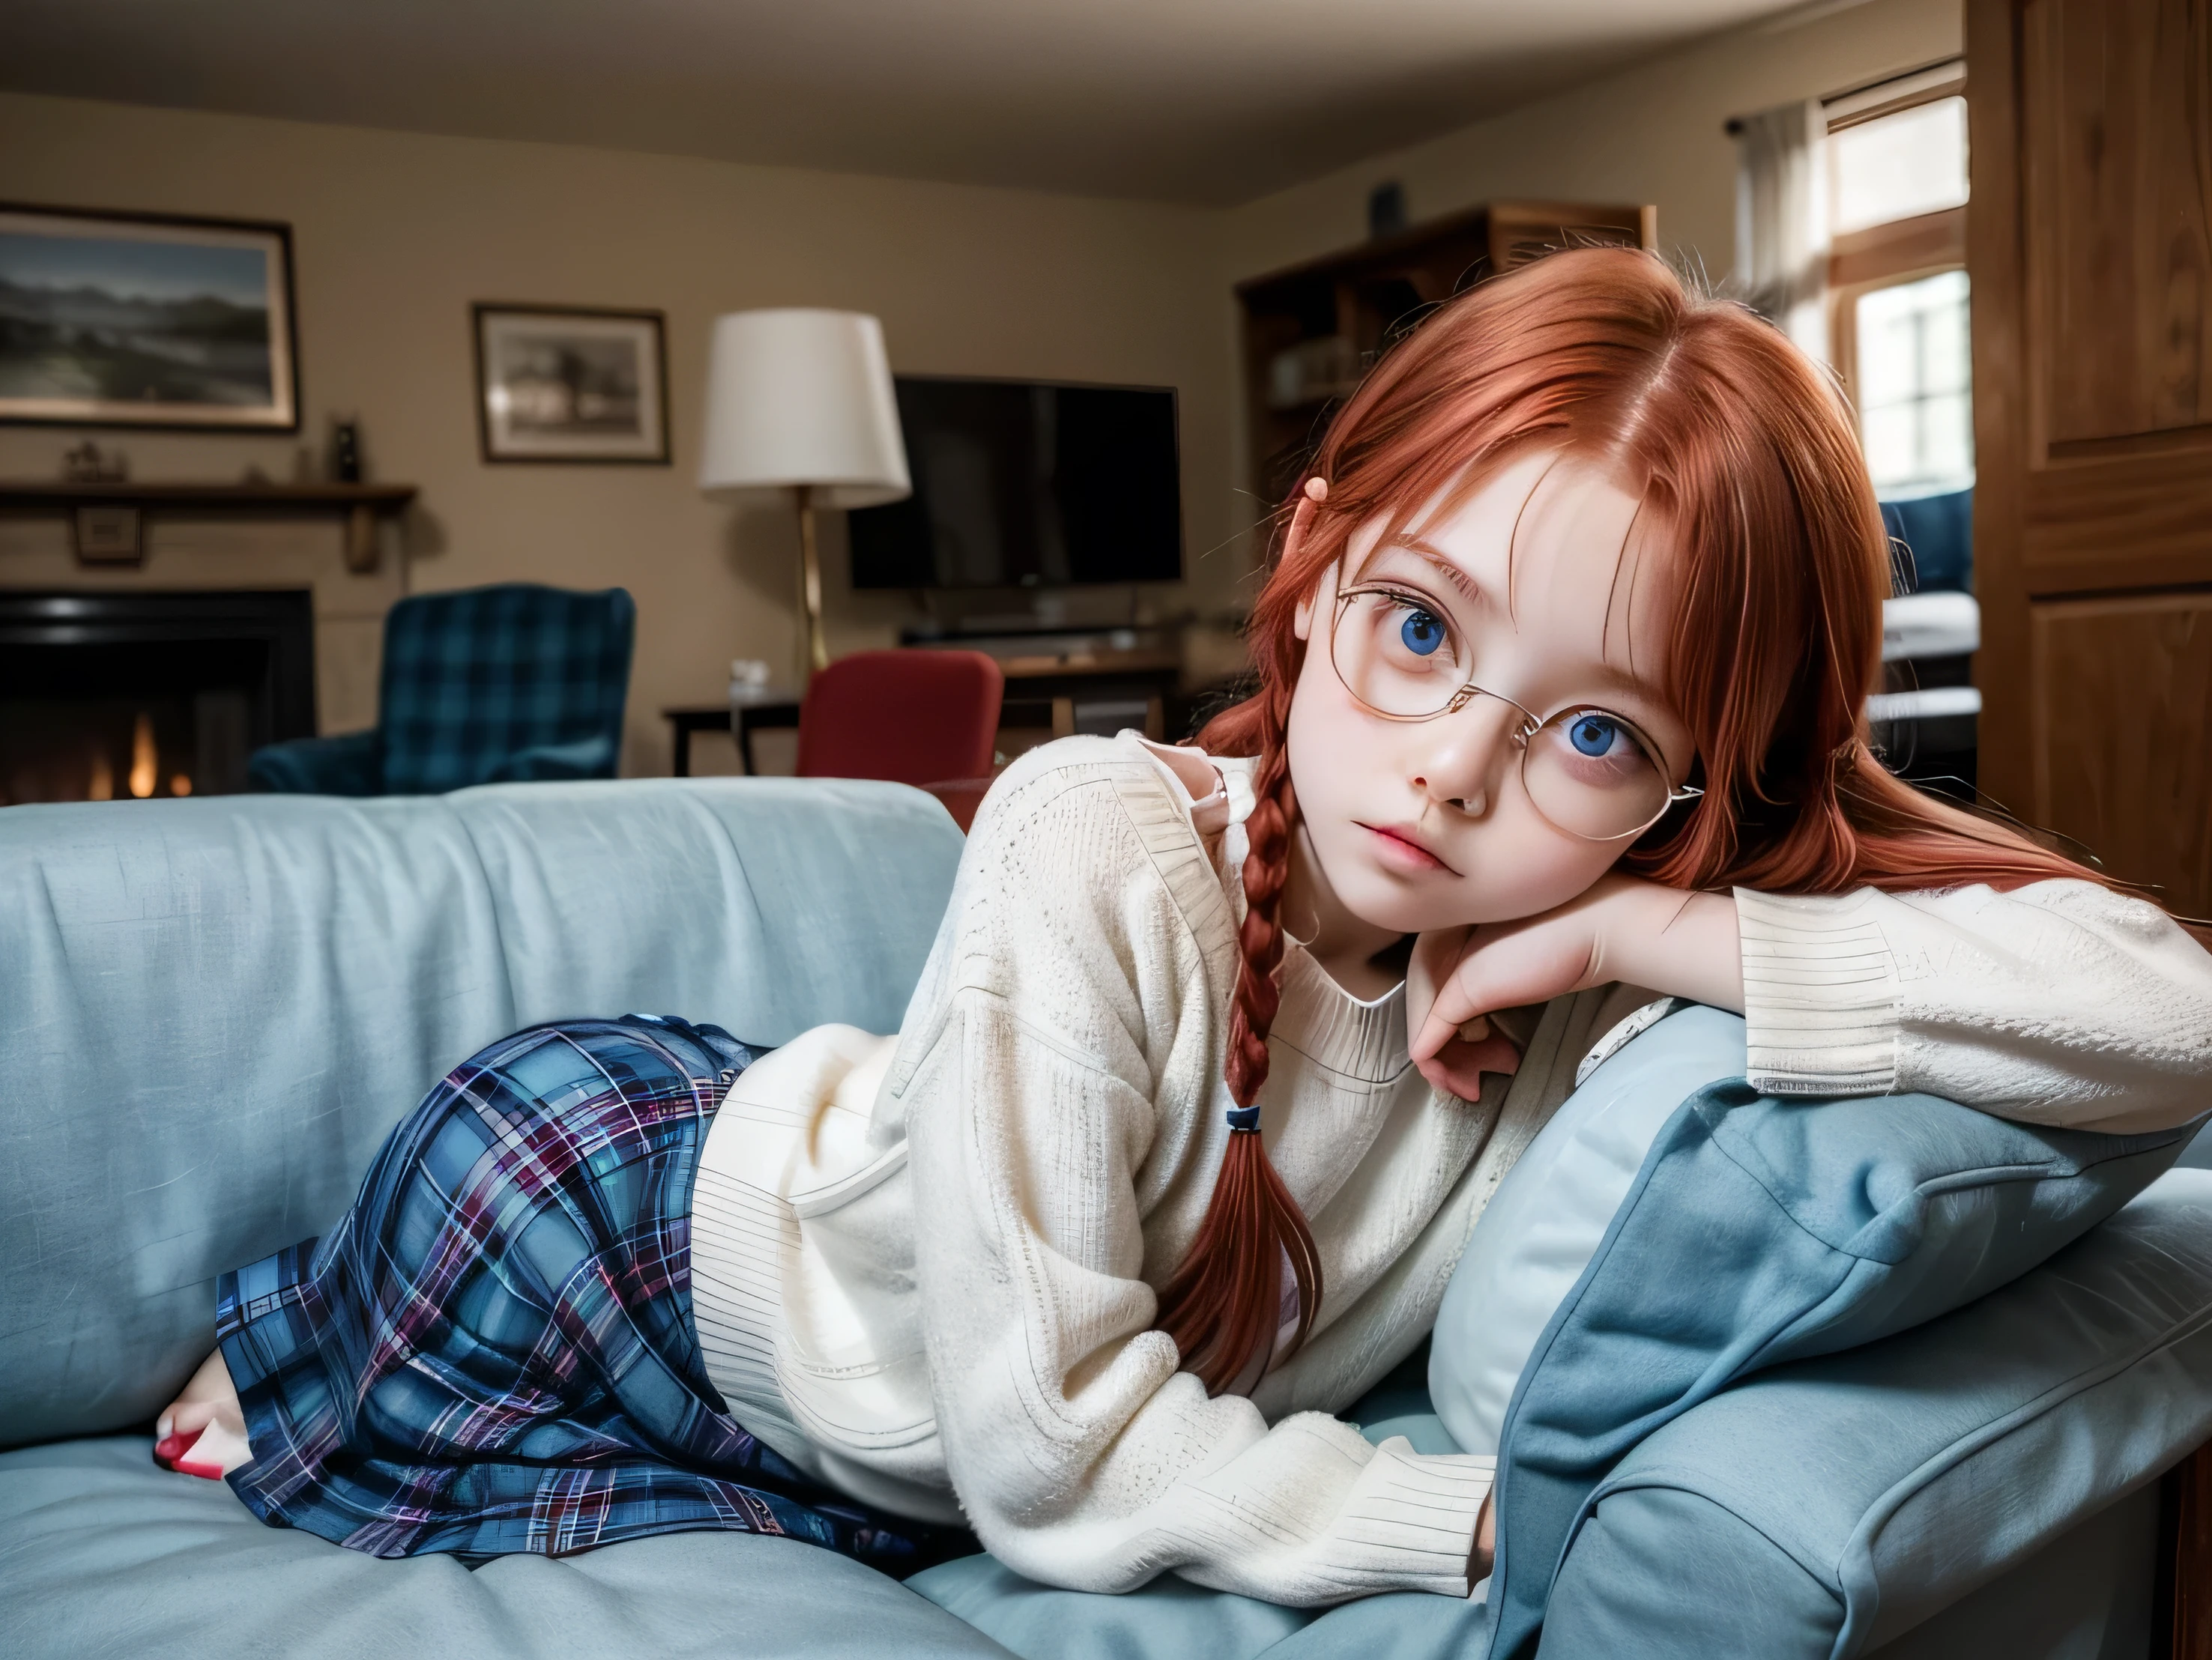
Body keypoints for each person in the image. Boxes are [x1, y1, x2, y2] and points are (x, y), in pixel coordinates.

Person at [156, 249, 2212, 1602]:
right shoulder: (1096, 838)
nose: (1455, 778)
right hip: (619, 1215)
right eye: (1418, 628)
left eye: (1592, 728)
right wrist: (1454, 1519)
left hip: (876, 1268)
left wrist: (1651, 949)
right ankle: (288, 1345)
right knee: (305, 1386)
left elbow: (2168, 1015)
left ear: (1698, 787)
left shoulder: (1597, 939)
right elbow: (1049, 1466)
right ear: (1316, 569)